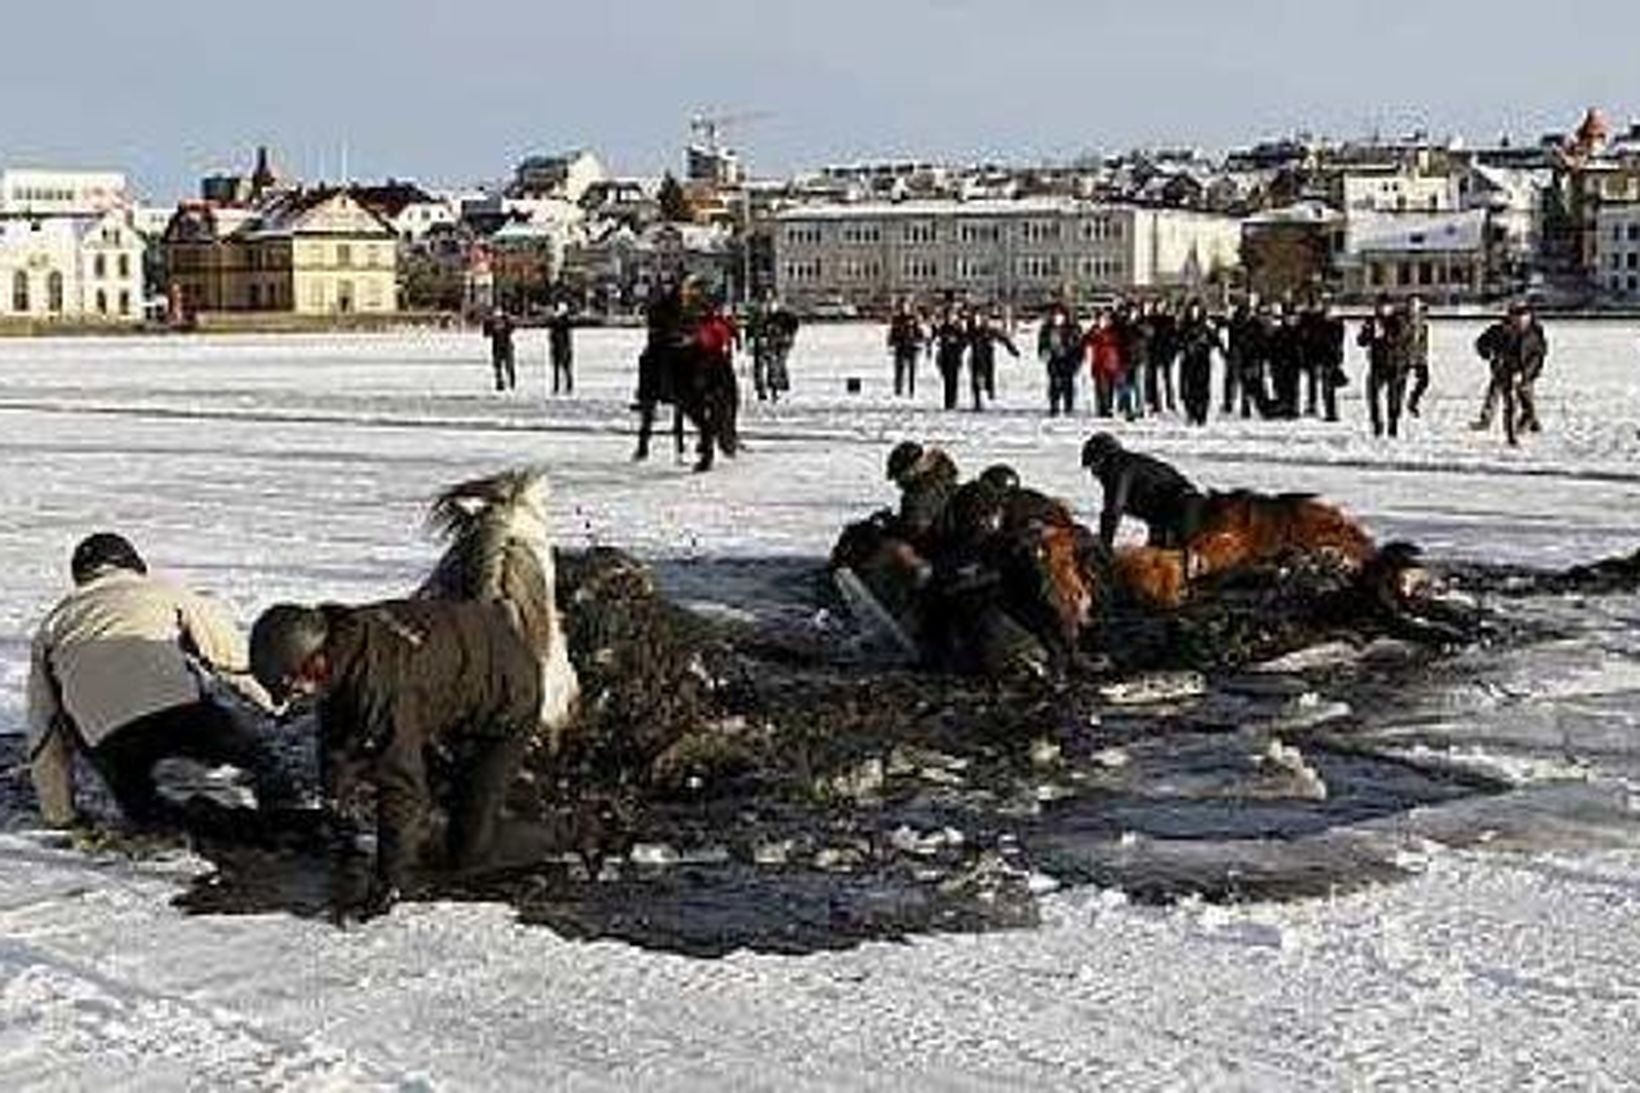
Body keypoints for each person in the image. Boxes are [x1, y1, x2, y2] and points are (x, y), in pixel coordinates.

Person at [248, 598, 544, 920]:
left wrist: (391, 880)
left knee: (468, 849)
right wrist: (334, 798)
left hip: (510, 696)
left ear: (316, 659)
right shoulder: (344, 642)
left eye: (297, 683)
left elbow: (401, 786)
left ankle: (579, 830)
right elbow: (335, 721)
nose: (301, 693)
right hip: (465, 663)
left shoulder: (381, 688)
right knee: (429, 794)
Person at [26, 533, 287, 829]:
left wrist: (61, 817)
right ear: (135, 565)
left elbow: (45, 733)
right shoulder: (159, 590)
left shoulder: (50, 628)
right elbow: (230, 658)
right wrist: (276, 702)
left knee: (158, 822)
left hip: (112, 743)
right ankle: (284, 818)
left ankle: (172, 823)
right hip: (180, 715)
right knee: (264, 775)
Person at [1080, 433, 1205, 548]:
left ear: (1102, 459)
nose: (1094, 474)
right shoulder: (1129, 464)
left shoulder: (1118, 469)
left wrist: (1104, 545)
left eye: (1093, 466)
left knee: (1169, 560)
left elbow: (1114, 509)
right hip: (1176, 511)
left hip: (1183, 509)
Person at [886, 441, 960, 553]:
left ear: (910, 471)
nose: (898, 483)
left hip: (934, 551)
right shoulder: (944, 479)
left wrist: (890, 525)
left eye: (899, 476)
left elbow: (914, 529)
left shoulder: (918, 494)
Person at [1357, 296, 1407, 438]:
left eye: (1386, 306)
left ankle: (1393, 424)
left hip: (1394, 363)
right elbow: (1361, 341)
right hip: (1377, 364)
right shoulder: (1372, 321)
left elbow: (1402, 338)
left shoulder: (1398, 321)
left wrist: (1386, 335)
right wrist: (1367, 332)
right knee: (1372, 395)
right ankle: (1376, 423)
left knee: (1394, 397)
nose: (1383, 309)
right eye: (1380, 306)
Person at [1176, 300, 1222, 427]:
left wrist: (1210, 341)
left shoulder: (1206, 326)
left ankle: (1201, 415)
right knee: (1187, 389)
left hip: (1202, 361)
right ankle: (1191, 413)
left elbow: (1216, 342)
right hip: (1188, 361)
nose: (1194, 313)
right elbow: (1177, 340)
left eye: (1197, 310)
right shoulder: (1184, 325)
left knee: (1202, 389)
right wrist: (1183, 346)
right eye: (1192, 310)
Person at [965, 311, 1019, 411]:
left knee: (988, 378)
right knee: (976, 380)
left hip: (987, 358)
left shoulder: (990, 330)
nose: (979, 321)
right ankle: (977, 402)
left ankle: (989, 395)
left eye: (982, 319)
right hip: (975, 358)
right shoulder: (972, 332)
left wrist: (1013, 350)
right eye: (977, 319)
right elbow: (962, 341)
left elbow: (1003, 338)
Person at [1037, 303, 1082, 415]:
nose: (1058, 318)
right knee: (1054, 383)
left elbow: (1079, 344)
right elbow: (1042, 344)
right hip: (1053, 359)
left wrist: (1078, 359)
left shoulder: (1072, 328)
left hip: (1068, 359)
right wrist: (1043, 352)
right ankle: (1054, 406)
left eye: (1060, 315)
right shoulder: (1046, 328)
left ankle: (1068, 406)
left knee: (1068, 383)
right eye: (1055, 315)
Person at [1083, 310, 1124, 418]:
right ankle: (1101, 408)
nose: (1102, 322)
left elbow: (1117, 341)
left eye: (1104, 319)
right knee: (1100, 387)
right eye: (1100, 319)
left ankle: (1108, 407)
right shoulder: (1094, 330)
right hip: (1099, 363)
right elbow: (1086, 340)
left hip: (1112, 363)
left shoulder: (1113, 331)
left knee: (1109, 388)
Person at [931, 306, 970, 411]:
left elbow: (965, 341)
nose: (950, 318)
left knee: (954, 380)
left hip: (955, 356)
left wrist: (957, 344)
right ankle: (947, 402)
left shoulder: (959, 328)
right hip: (944, 357)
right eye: (948, 316)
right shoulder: (943, 327)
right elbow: (935, 338)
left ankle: (953, 401)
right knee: (946, 380)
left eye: (952, 316)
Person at [887, 300, 925, 398]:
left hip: (911, 347)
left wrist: (919, 342)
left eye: (906, 306)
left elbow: (920, 332)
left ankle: (911, 390)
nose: (905, 308)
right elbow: (892, 332)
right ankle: (898, 390)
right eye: (903, 306)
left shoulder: (915, 318)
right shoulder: (897, 319)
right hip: (900, 347)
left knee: (912, 371)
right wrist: (891, 344)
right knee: (899, 370)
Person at [1402, 296, 1431, 417]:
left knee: (1424, 380)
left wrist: (1423, 355)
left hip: (1418, 357)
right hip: (1405, 356)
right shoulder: (1403, 322)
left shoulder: (1423, 324)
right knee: (1399, 382)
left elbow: (1423, 341)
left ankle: (1412, 402)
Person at [482, 308, 517, 392]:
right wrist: (487, 324)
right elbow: (486, 334)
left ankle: (512, 383)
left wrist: (508, 319)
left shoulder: (506, 320)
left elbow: (512, 328)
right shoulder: (491, 323)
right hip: (497, 346)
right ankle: (499, 383)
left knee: (509, 365)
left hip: (507, 345)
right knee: (497, 366)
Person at [546, 302, 575, 396]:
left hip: (563, 348)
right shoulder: (559, 322)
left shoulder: (563, 322)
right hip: (559, 348)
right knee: (559, 369)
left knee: (564, 369)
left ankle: (565, 387)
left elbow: (552, 333)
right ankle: (560, 387)